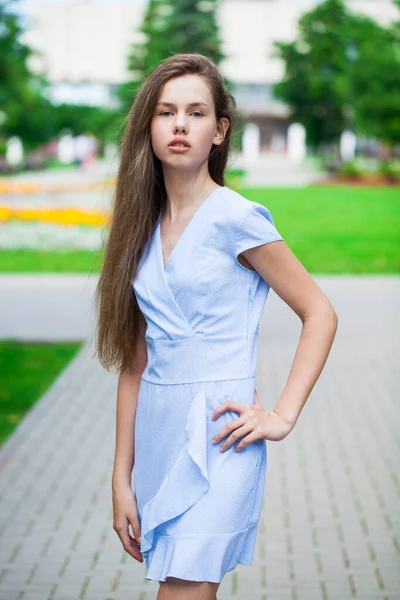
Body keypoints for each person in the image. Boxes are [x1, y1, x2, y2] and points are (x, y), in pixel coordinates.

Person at [94, 53, 338, 600]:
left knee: (183, 589)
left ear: (220, 130)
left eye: (196, 112)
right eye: (165, 112)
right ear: (148, 128)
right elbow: (134, 366)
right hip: (159, 434)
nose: (180, 125)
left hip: (221, 437)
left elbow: (319, 312)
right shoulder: (139, 230)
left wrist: (282, 415)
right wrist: (119, 480)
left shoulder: (238, 218)